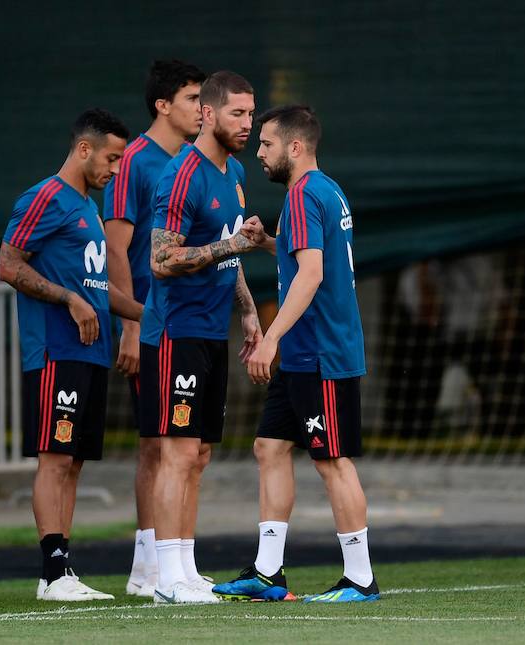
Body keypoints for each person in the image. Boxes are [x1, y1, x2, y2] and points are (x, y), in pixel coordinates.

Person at [213, 105, 379, 603]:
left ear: (295, 147)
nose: (259, 152)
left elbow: (311, 275)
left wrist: (270, 338)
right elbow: (307, 254)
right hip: (307, 354)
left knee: (333, 461)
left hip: (320, 351)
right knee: (269, 447)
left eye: (266, 144)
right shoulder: (323, 189)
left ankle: (360, 579)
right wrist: (269, 244)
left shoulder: (305, 193)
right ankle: (267, 573)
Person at [0, 109, 143, 602]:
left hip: (91, 354)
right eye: (112, 158)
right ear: (84, 149)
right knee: (56, 459)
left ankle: (62, 570)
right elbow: (7, 263)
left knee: (74, 461)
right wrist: (68, 298)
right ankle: (52, 572)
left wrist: (150, 317)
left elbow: (99, 291)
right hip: (56, 351)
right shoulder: (45, 197)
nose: (116, 169)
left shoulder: (88, 208)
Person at [148, 70, 264, 604]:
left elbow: (228, 245)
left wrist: (246, 312)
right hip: (179, 331)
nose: (248, 122)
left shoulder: (234, 171)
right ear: (208, 115)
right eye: (237, 113)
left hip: (214, 329)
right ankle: (165, 574)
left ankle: (187, 568)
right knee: (178, 450)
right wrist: (232, 247)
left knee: (200, 456)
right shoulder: (181, 175)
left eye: (251, 112)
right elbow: (163, 259)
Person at [102, 59, 205, 598]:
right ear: (163, 105)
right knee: (157, 446)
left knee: (184, 447)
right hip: (152, 325)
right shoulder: (135, 162)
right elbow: (117, 248)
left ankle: (167, 563)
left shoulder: (195, 162)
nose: (200, 109)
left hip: (191, 325)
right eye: (192, 98)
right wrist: (128, 326)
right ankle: (148, 565)